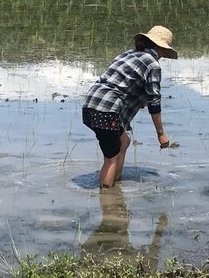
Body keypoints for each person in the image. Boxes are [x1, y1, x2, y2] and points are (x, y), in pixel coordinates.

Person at [82, 26, 177, 188]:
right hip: (106, 112)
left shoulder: (128, 54)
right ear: (160, 48)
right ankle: (108, 200)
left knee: (124, 141)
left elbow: (122, 82)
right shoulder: (152, 65)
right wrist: (161, 134)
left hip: (90, 105)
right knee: (110, 159)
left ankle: (116, 182)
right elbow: (154, 101)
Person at [81, 185, 168, 270]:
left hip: (98, 255)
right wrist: (160, 226)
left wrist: (160, 226)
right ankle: (108, 192)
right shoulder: (147, 267)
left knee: (113, 225)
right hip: (99, 254)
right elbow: (154, 248)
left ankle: (110, 192)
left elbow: (154, 248)